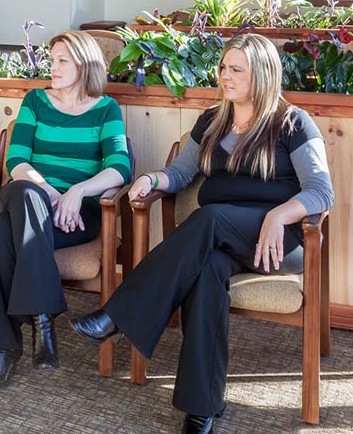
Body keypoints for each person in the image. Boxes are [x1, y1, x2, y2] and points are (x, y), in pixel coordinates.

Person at [70, 33, 334, 434]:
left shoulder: (292, 123)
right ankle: (202, 407)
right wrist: (152, 177)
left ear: (260, 75)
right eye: (223, 68)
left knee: (208, 218)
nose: (224, 76)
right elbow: (181, 172)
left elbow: (321, 191)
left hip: (276, 242)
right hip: (222, 242)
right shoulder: (212, 120)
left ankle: (119, 314)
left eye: (236, 70)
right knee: (208, 272)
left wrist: (278, 216)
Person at [0, 30, 131, 390]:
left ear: (85, 65)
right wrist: (46, 190)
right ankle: (42, 317)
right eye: (52, 58)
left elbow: (120, 166)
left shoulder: (106, 109)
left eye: (63, 60)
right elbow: (16, 159)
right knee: (26, 197)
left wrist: (78, 191)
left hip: (76, 215)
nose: (53, 67)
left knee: (6, 239)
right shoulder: (35, 102)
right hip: (27, 196)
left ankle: (4, 349)